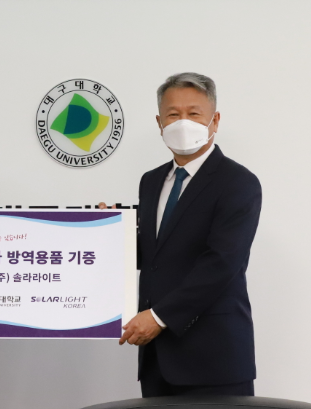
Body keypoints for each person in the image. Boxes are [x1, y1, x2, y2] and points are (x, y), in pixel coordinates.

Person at [110, 72, 263, 397]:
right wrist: (108, 231)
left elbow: (222, 263)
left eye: (194, 113)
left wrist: (158, 317)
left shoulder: (238, 182)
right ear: (159, 122)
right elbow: (155, 256)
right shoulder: (151, 181)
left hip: (214, 357)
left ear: (214, 120)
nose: (183, 123)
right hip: (157, 359)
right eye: (173, 114)